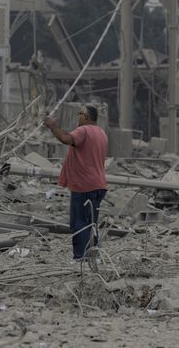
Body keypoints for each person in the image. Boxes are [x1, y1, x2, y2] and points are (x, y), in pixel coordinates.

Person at [43, 105, 109, 261]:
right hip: (98, 184)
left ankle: (80, 257)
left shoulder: (84, 130)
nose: (78, 117)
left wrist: (52, 126)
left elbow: (66, 139)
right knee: (91, 222)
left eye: (80, 114)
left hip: (83, 185)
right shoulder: (101, 133)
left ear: (86, 116)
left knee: (79, 222)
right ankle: (94, 256)